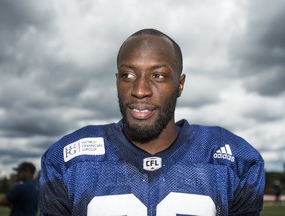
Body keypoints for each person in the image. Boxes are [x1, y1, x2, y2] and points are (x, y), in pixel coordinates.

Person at [39, 28, 265, 216]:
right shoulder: (68, 159)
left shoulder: (233, 160)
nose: (139, 90)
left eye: (158, 75)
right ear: (116, 80)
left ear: (180, 84)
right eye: (128, 75)